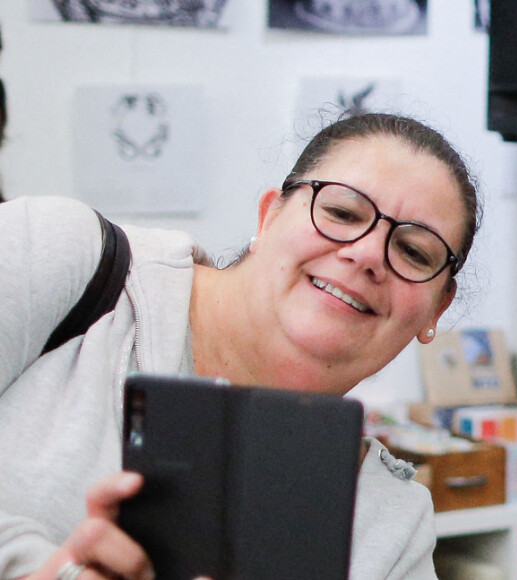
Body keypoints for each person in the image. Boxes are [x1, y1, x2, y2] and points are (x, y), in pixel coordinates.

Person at [0, 112, 481, 580]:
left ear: (437, 308)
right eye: (341, 211)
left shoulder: (393, 525)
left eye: (415, 252)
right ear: (269, 216)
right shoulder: (62, 257)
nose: (369, 253)